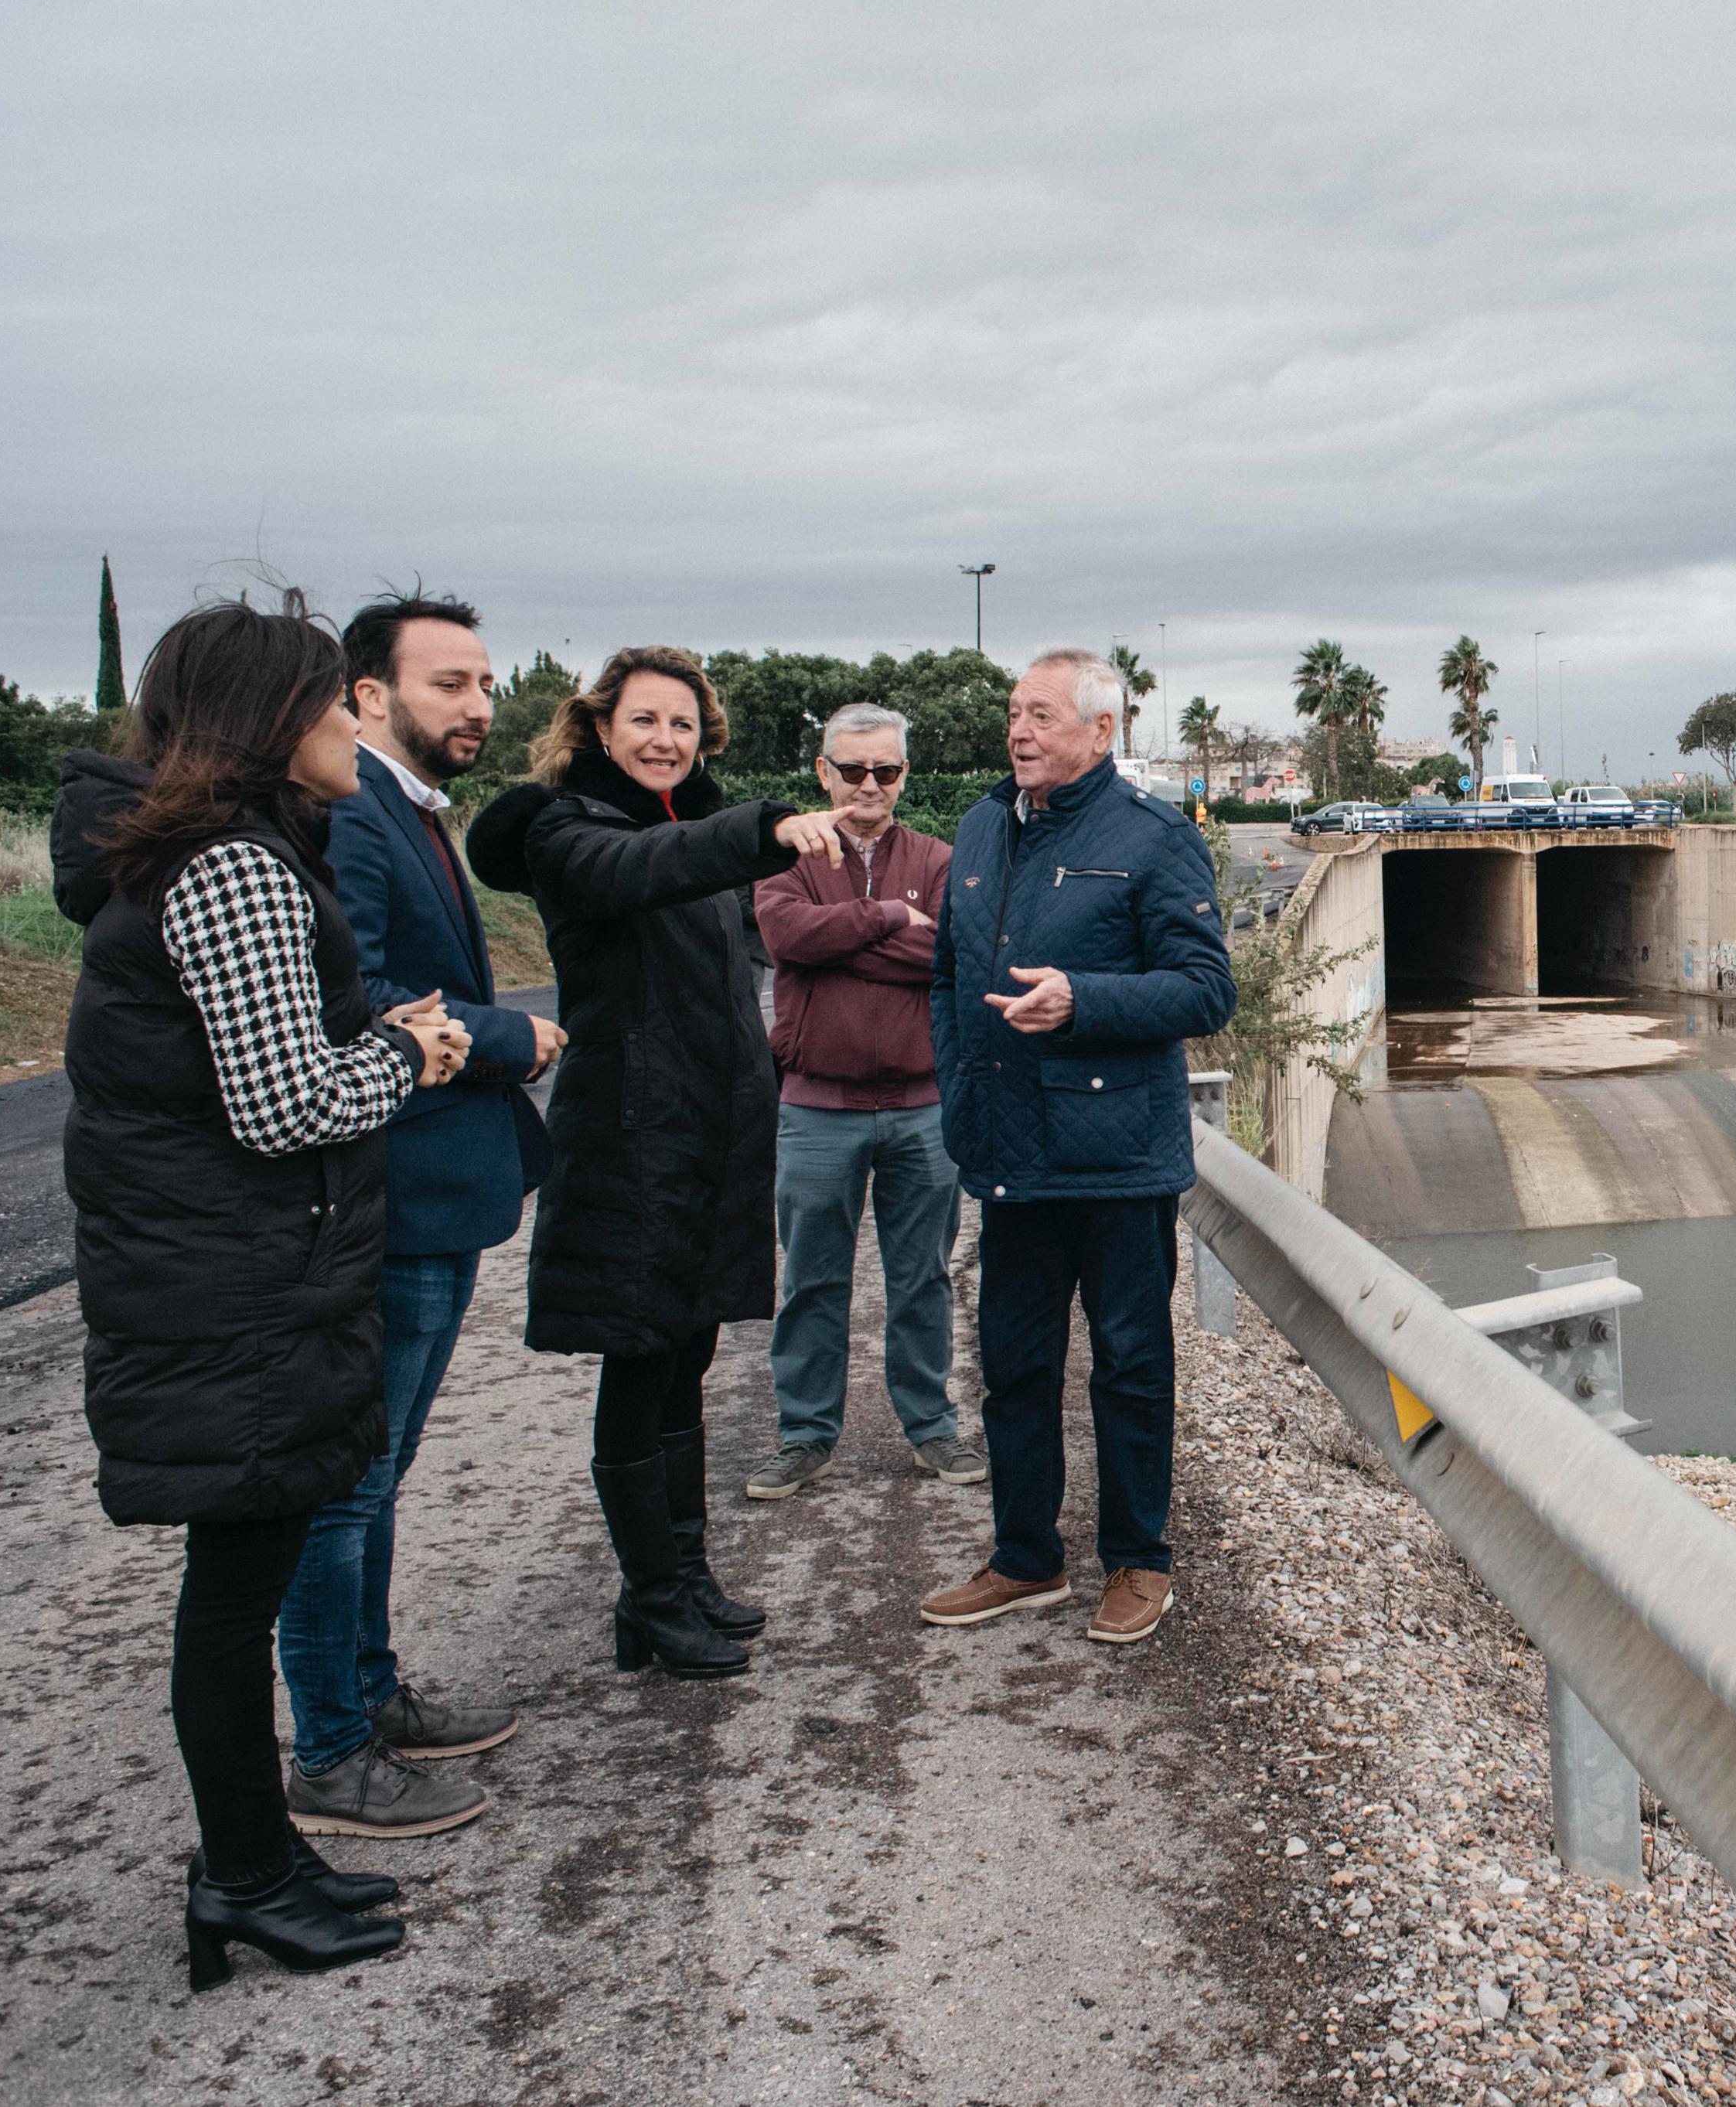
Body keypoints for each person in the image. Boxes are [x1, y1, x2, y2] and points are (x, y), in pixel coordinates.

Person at [54, 593, 472, 1988]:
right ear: (269, 722)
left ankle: (258, 1859)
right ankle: (241, 1872)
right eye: (334, 701)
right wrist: (412, 1059)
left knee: (241, 1584)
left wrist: (374, 1035)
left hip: (229, 1276)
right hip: (229, 1289)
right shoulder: (232, 869)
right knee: (234, 1597)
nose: (356, 721)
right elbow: (284, 1102)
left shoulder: (223, 854)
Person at [467, 647, 841, 1679]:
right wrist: (762, 827)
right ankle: (651, 1597)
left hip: (711, 1142)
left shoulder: (686, 832)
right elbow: (640, 875)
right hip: (632, 1142)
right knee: (640, 1366)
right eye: (644, 721)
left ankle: (683, 1579)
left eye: (681, 724)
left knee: (686, 1360)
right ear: (598, 727)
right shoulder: (569, 832)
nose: (664, 739)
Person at [269, 592, 564, 1843]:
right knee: (348, 1482)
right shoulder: (358, 818)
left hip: (434, 1193)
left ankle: (371, 1691)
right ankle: (332, 1745)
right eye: (450, 681)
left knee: (378, 1475)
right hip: (388, 1193)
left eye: (485, 680)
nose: (481, 704)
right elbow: (369, 996)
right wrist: (510, 1036)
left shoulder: (408, 810)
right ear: (371, 694)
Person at [919, 646, 1233, 1647]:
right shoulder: (978, 828)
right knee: (1012, 1365)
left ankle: (1138, 1561)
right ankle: (1026, 1557)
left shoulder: (1154, 838)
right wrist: (958, 1083)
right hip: (1011, 1153)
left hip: (1118, 1159)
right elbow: (946, 976)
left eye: (1043, 715)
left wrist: (1083, 1001)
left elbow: (1206, 988)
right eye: (1015, 712)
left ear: (1103, 732)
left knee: (1130, 1365)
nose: (1020, 730)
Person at [747, 703, 981, 1501]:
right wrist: (885, 917)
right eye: (853, 770)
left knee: (923, 1277)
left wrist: (841, 942)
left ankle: (932, 1427)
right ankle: (804, 1435)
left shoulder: (941, 859)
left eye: (886, 770)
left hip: (923, 1104)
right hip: (817, 1106)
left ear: (903, 774)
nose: (869, 784)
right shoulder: (789, 854)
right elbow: (786, 940)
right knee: (812, 1279)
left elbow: (952, 953)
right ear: (823, 772)